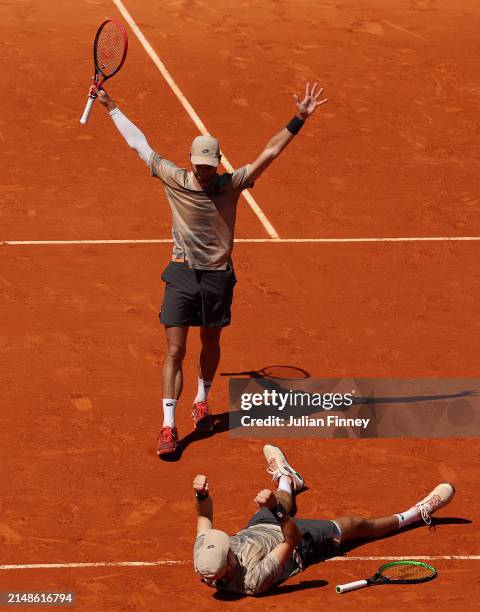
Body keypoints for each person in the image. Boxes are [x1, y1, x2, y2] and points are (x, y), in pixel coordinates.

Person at [96, 83, 328, 456]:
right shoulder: (174, 178)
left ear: (219, 162)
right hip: (182, 275)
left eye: (209, 166)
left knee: (211, 341)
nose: (204, 173)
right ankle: (169, 426)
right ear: (189, 159)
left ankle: (202, 398)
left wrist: (298, 119)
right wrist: (110, 106)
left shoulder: (231, 184)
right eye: (199, 166)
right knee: (174, 351)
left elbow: (269, 153)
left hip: (218, 277)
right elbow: (139, 145)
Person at [192, 444, 455, 596]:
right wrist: (276, 510)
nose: (227, 544)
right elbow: (291, 537)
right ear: (227, 567)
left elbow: (204, 516)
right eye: (228, 552)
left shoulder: (205, 558)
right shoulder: (253, 581)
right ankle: (416, 513)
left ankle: (288, 478)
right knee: (355, 525)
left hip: (258, 528)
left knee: (281, 499)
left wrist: (200, 494)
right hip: (299, 543)